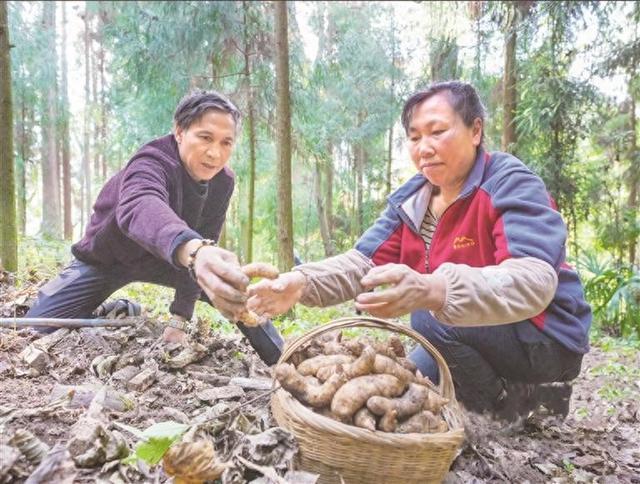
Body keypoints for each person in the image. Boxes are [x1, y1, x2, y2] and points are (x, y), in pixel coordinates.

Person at [247, 81, 592, 419]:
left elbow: (534, 281)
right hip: (472, 328)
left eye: (437, 131)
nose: (424, 147)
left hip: (545, 337)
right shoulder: (413, 201)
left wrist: (435, 289)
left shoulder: (509, 183)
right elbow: (362, 263)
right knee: (414, 375)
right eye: (414, 137)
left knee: (428, 317)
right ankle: (525, 395)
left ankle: (508, 409)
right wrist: (302, 282)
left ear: (475, 131)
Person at [26, 90, 283, 365]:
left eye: (226, 143)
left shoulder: (223, 181)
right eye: (205, 137)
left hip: (173, 260)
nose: (214, 153)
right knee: (35, 327)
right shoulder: (151, 161)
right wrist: (194, 250)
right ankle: (116, 311)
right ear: (179, 131)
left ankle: (284, 357)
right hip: (107, 259)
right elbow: (139, 204)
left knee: (227, 283)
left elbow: (205, 238)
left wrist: (180, 317)